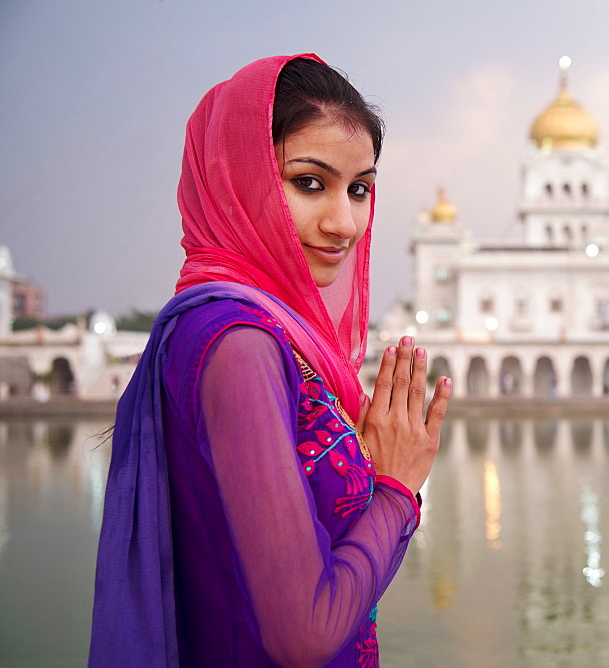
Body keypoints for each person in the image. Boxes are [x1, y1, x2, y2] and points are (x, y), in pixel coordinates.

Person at [89, 54, 451, 667]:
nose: (344, 223)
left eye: (359, 188)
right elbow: (304, 633)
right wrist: (396, 491)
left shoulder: (263, 338)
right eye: (309, 182)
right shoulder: (239, 342)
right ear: (236, 179)